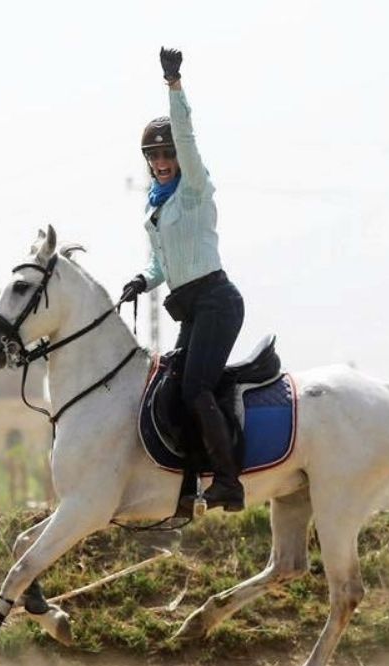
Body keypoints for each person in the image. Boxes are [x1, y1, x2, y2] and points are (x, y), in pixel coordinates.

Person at [121, 47, 246, 511]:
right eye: (153, 156)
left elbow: (188, 137)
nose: (161, 162)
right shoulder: (156, 205)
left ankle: (230, 481)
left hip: (217, 301)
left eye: (167, 154)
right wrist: (141, 280)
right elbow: (160, 266)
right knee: (175, 387)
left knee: (195, 388)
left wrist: (174, 85)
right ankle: (191, 482)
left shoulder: (194, 188)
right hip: (192, 307)